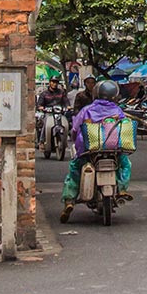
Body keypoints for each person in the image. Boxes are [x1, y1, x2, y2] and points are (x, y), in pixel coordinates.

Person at [61, 80, 132, 221]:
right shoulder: (117, 111)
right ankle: (122, 189)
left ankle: (69, 200)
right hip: (113, 148)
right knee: (125, 164)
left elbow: (75, 128)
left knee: (75, 169)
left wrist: (76, 140)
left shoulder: (87, 110)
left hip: (89, 149)